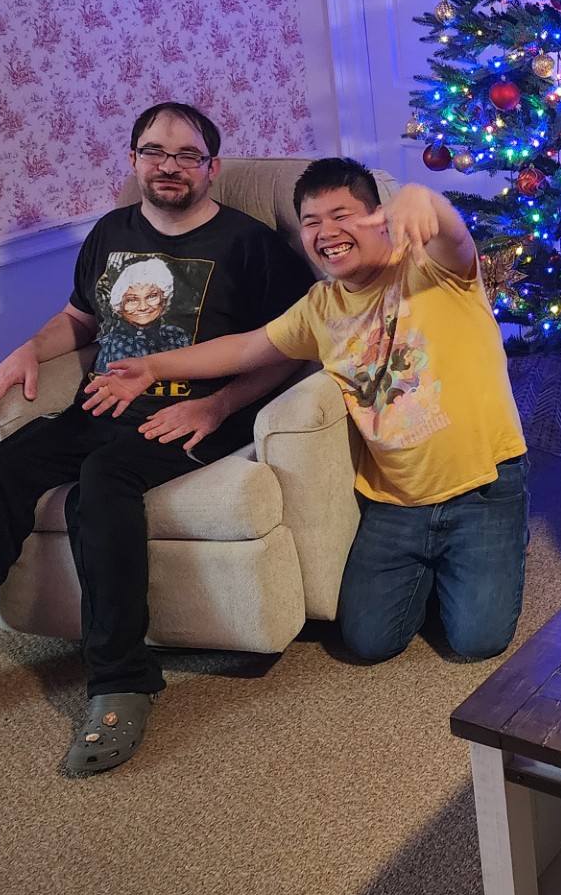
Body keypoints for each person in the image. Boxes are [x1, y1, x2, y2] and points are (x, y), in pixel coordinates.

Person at [0, 103, 313, 776]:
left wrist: (219, 405)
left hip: (193, 414)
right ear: (132, 160)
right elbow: (80, 317)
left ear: (212, 167)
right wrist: (24, 353)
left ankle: (123, 678)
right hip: (99, 404)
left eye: (186, 155)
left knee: (104, 486)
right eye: (154, 151)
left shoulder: (248, 245)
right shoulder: (111, 233)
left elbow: (295, 345)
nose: (168, 166)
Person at [83, 158, 530, 666]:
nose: (326, 232)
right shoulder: (320, 306)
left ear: (379, 217)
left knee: (477, 641)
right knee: (367, 642)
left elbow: (454, 236)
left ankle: (484, 555)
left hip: (484, 487)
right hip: (394, 499)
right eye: (312, 222)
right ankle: (443, 571)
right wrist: (152, 366)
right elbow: (244, 350)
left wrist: (426, 199)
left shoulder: (433, 270)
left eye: (343, 216)